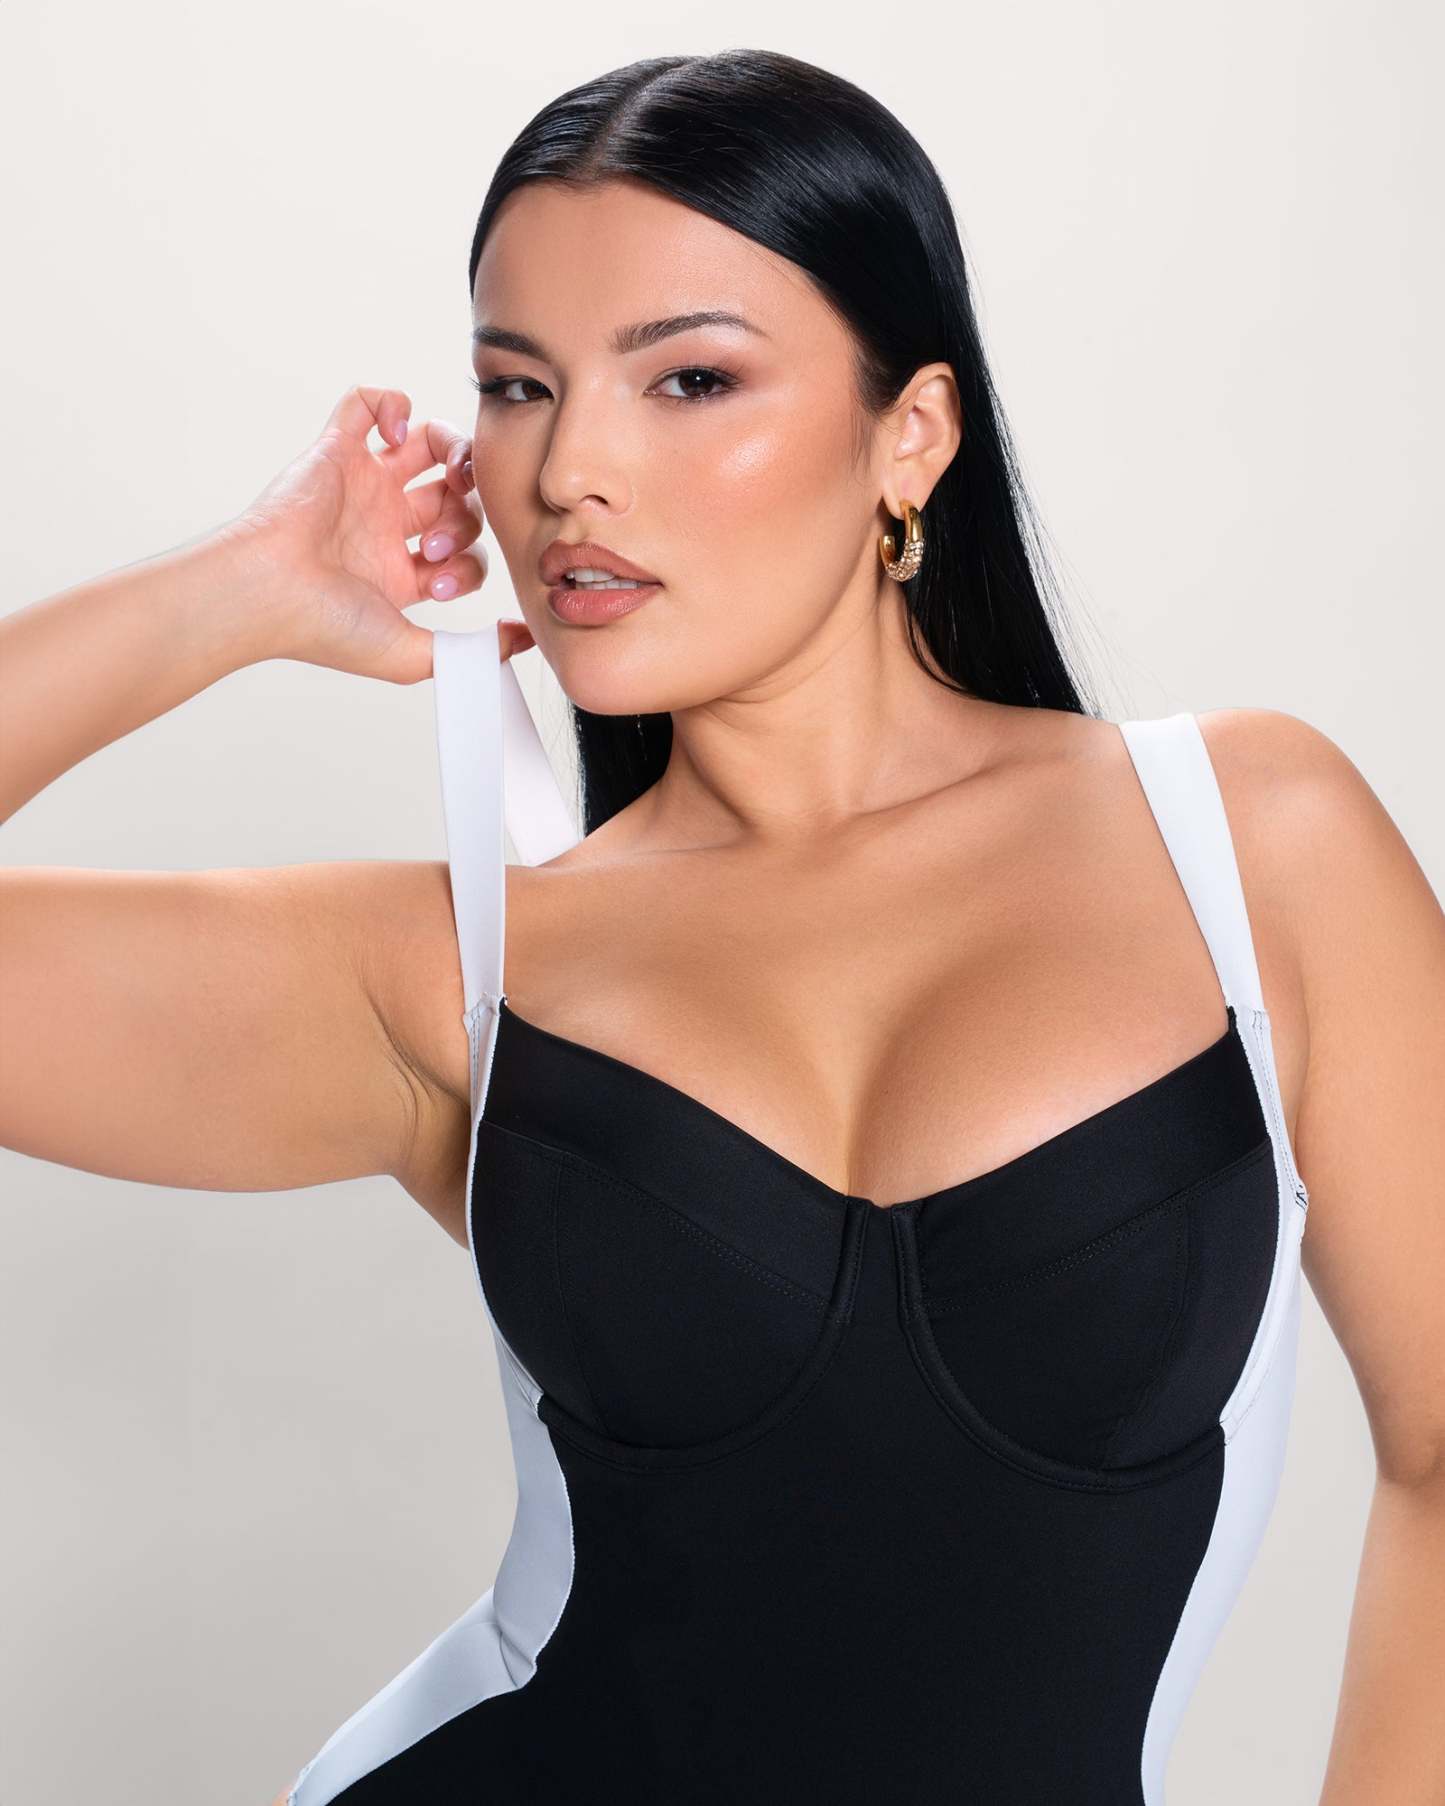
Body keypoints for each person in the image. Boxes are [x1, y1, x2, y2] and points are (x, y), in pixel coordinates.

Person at [2, 46, 1441, 1806]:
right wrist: (232, 590)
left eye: (687, 378)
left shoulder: (1245, 841)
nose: (568, 471)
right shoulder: (453, 980)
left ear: (910, 432)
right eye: (516, 388)